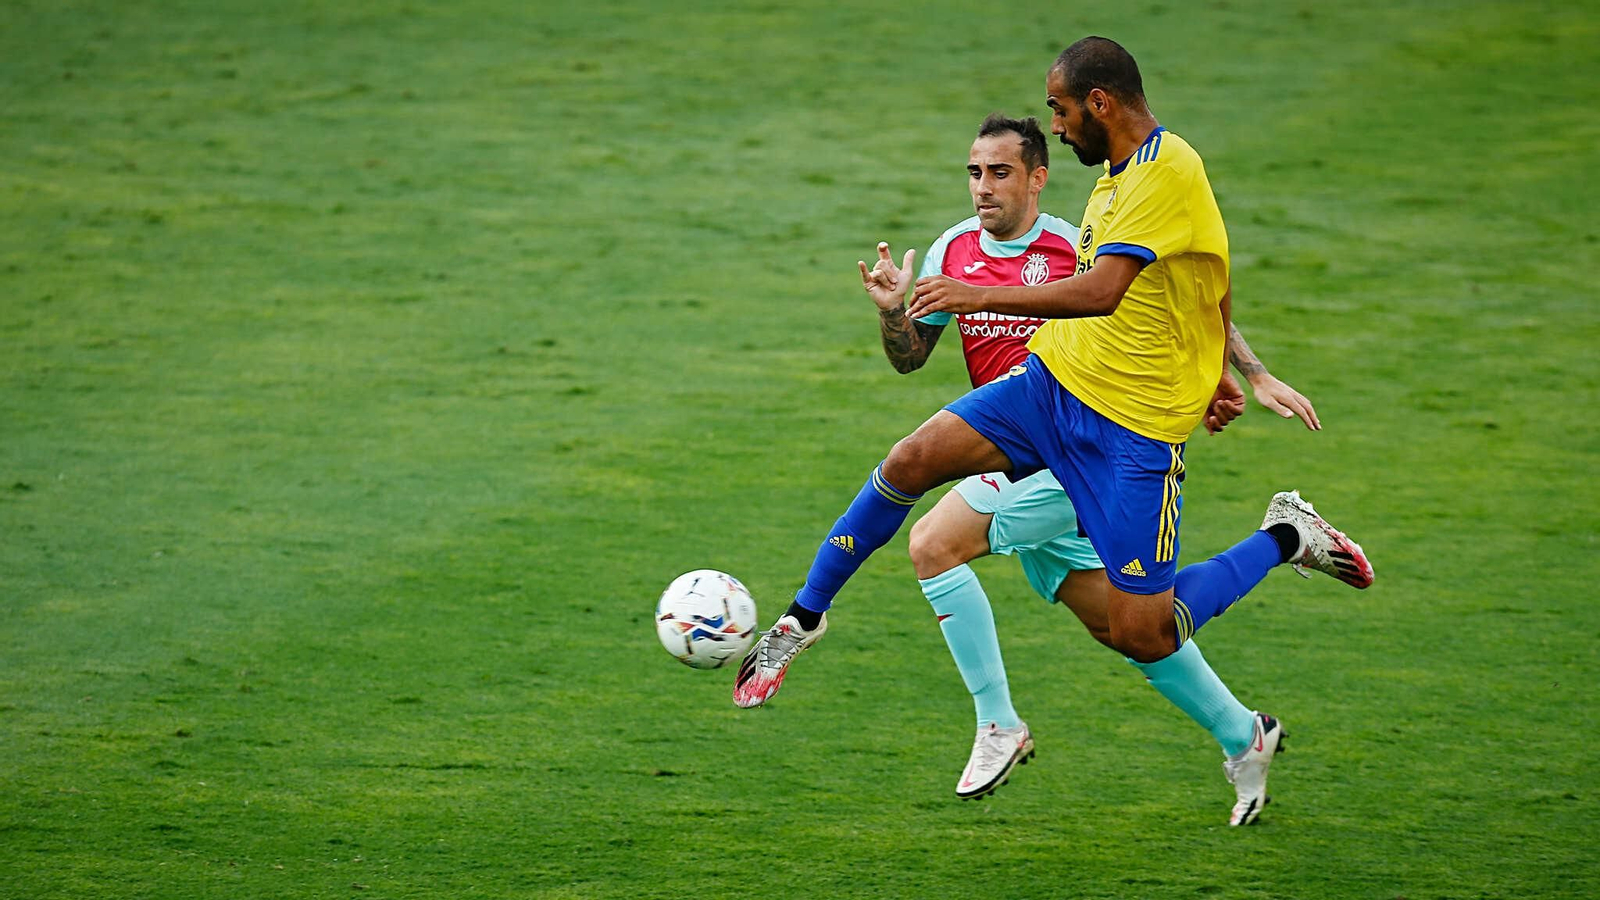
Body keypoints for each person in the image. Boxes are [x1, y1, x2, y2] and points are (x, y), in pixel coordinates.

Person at [734, 37, 1373, 827]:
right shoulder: (1115, 181)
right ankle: (805, 615)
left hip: (1131, 437)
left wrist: (1238, 369)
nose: (1060, 127)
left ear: (1099, 103)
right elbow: (1197, 276)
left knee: (1144, 630)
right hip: (1054, 385)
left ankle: (1282, 537)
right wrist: (1224, 367)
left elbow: (1112, 288)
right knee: (912, 461)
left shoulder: (1168, 172)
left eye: (1063, 113)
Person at [852, 112, 1323, 823]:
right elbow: (910, 356)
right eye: (974, 172)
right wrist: (893, 313)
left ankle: (998, 724)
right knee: (1129, 628)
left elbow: (1182, 296)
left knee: (933, 543)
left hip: (1080, 449)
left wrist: (1246, 371)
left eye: (1000, 171)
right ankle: (1249, 708)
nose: (983, 187)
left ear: (1038, 178)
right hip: (1008, 446)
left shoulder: (1080, 244)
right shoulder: (954, 247)